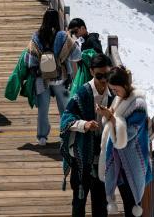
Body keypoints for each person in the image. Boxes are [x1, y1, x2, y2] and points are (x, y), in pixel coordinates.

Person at [61, 54, 115, 216]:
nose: (104, 80)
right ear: (91, 72)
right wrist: (84, 125)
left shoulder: (114, 95)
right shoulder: (83, 93)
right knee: (79, 204)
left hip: (104, 159)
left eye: (107, 75)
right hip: (82, 158)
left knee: (101, 205)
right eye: (100, 76)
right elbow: (66, 118)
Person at [100, 67, 152, 216]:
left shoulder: (138, 106)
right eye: (112, 91)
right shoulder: (120, 98)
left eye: (116, 90)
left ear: (125, 85)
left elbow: (127, 135)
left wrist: (110, 118)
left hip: (133, 159)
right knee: (127, 200)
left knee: (132, 203)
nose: (114, 94)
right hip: (120, 160)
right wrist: (108, 115)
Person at [26, 8, 81, 145]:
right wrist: (74, 40)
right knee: (65, 108)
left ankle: (42, 137)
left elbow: (30, 59)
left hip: (42, 78)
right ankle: (66, 133)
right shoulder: (63, 36)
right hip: (61, 78)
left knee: (43, 110)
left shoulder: (36, 36)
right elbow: (77, 55)